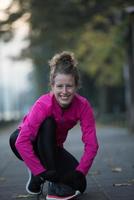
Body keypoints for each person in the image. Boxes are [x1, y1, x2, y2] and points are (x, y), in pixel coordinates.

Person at [9, 51, 99, 200]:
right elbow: (21, 142)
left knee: (80, 184)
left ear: (76, 86)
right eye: (59, 86)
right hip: (24, 141)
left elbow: (92, 144)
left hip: (52, 148)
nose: (64, 92)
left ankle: (44, 175)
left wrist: (80, 171)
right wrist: (41, 171)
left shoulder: (83, 106)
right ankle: (48, 179)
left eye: (69, 86)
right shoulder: (44, 104)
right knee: (48, 122)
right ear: (52, 86)